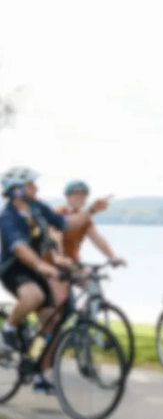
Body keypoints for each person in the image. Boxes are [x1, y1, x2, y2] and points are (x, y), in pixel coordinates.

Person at [0, 167, 109, 395]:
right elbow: (20, 249)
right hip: (14, 269)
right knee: (34, 296)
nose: (37, 188)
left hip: (37, 269)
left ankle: (41, 373)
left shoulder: (37, 208)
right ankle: (8, 330)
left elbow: (67, 223)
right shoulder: (8, 218)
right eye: (31, 185)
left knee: (53, 321)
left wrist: (91, 210)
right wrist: (42, 266)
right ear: (16, 191)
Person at [50, 180, 126, 267]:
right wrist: (59, 257)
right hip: (53, 261)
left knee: (90, 278)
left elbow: (97, 237)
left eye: (83, 197)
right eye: (77, 196)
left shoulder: (85, 219)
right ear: (67, 196)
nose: (80, 199)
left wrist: (112, 257)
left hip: (73, 261)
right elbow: (55, 237)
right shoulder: (59, 213)